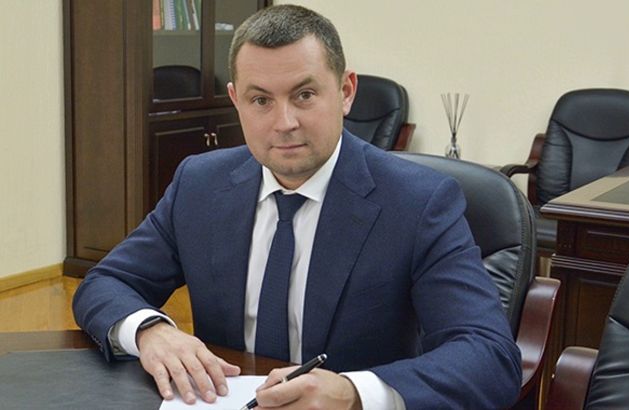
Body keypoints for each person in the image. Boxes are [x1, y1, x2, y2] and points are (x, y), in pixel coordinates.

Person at [73, 4, 521, 409]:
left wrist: (354, 393)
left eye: (304, 95)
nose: (284, 123)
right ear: (236, 101)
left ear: (346, 91)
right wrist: (150, 331)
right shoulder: (200, 184)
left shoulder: (418, 201)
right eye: (261, 100)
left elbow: (489, 356)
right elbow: (108, 281)